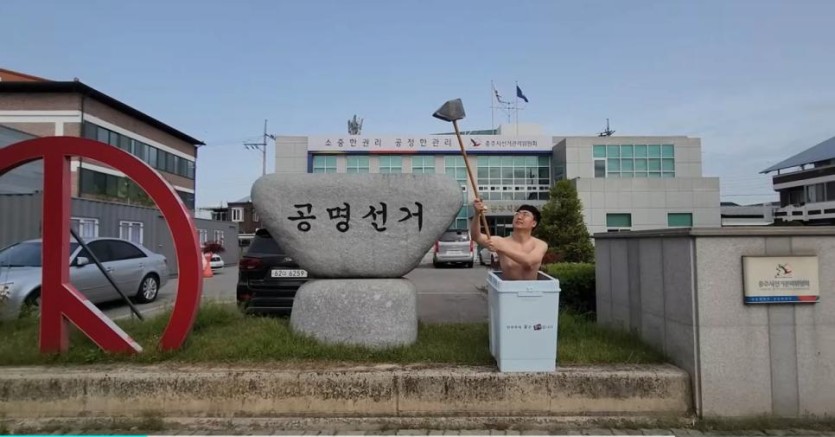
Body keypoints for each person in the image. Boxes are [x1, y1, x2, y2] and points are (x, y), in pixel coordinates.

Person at [470, 198, 548, 280]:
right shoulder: (501, 241)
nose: (519, 217)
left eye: (525, 214)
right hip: (507, 287)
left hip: (533, 288)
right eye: (517, 214)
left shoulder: (540, 244)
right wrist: (477, 214)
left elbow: (529, 261)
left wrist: (501, 248)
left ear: (534, 223)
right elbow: (476, 236)